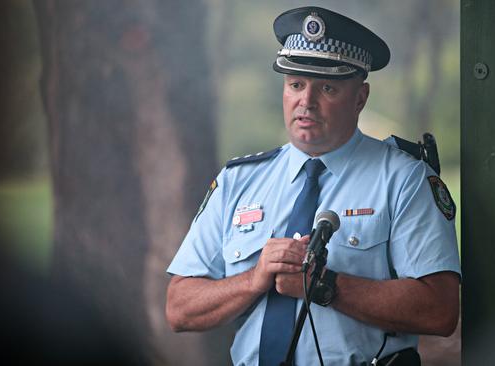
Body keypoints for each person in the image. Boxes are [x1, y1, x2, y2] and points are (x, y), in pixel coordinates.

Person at [166, 6, 461, 366]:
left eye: (327, 87)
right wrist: (253, 279)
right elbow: (179, 307)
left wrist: (325, 286)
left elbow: (440, 310)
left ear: (360, 98)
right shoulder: (237, 181)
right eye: (295, 85)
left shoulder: (403, 180)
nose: (306, 101)